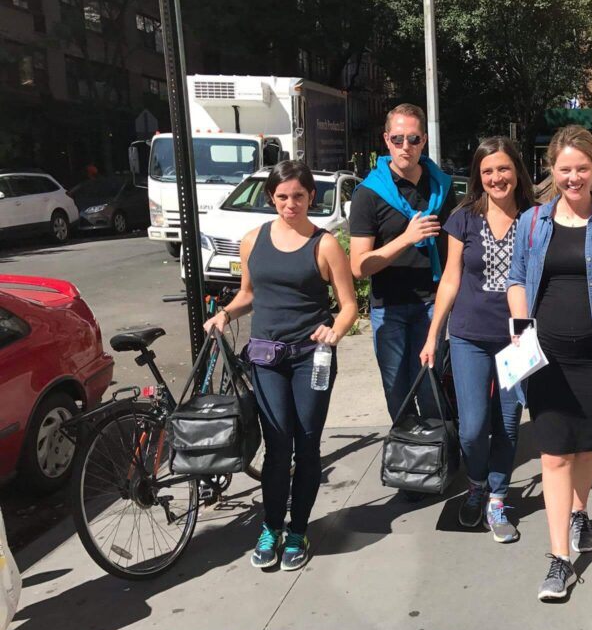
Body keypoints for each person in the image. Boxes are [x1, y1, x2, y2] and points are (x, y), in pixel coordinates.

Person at [507, 125, 592, 601]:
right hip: (547, 355)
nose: (573, 178)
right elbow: (517, 279)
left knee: (588, 447)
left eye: (582, 169)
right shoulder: (533, 222)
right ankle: (559, 558)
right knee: (553, 453)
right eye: (564, 170)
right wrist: (520, 326)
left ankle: (580, 513)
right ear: (552, 170)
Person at [205, 160, 359, 571]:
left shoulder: (324, 244)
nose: (291, 204)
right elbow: (248, 295)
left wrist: (334, 332)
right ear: (271, 198)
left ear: (311, 197)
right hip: (267, 358)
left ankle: (298, 531)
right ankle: (271, 527)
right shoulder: (253, 240)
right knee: (277, 446)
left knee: (306, 446)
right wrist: (225, 314)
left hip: (312, 359)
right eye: (282, 197)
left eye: (298, 196)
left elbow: (349, 307)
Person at [420, 137, 533, 542]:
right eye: (487, 171)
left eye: (503, 169)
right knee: (472, 427)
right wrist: (434, 334)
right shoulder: (463, 217)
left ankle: (498, 497)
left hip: (516, 339)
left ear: (517, 170)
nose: (496, 177)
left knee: (506, 424)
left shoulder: (535, 218)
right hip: (467, 335)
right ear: (478, 176)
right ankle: (477, 484)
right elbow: (450, 277)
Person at [349, 104, 456, 422]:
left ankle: (439, 457)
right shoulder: (369, 194)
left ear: (424, 140)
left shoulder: (441, 187)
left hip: (431, 305)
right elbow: (359, 266)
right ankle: (408, 458)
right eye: (398, 139)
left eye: (413, 139)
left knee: (430, 386)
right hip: (389, 307)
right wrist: (407, 239)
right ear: (386, 140)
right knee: (398, 393)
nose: (405, 146)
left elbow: (453, 251)